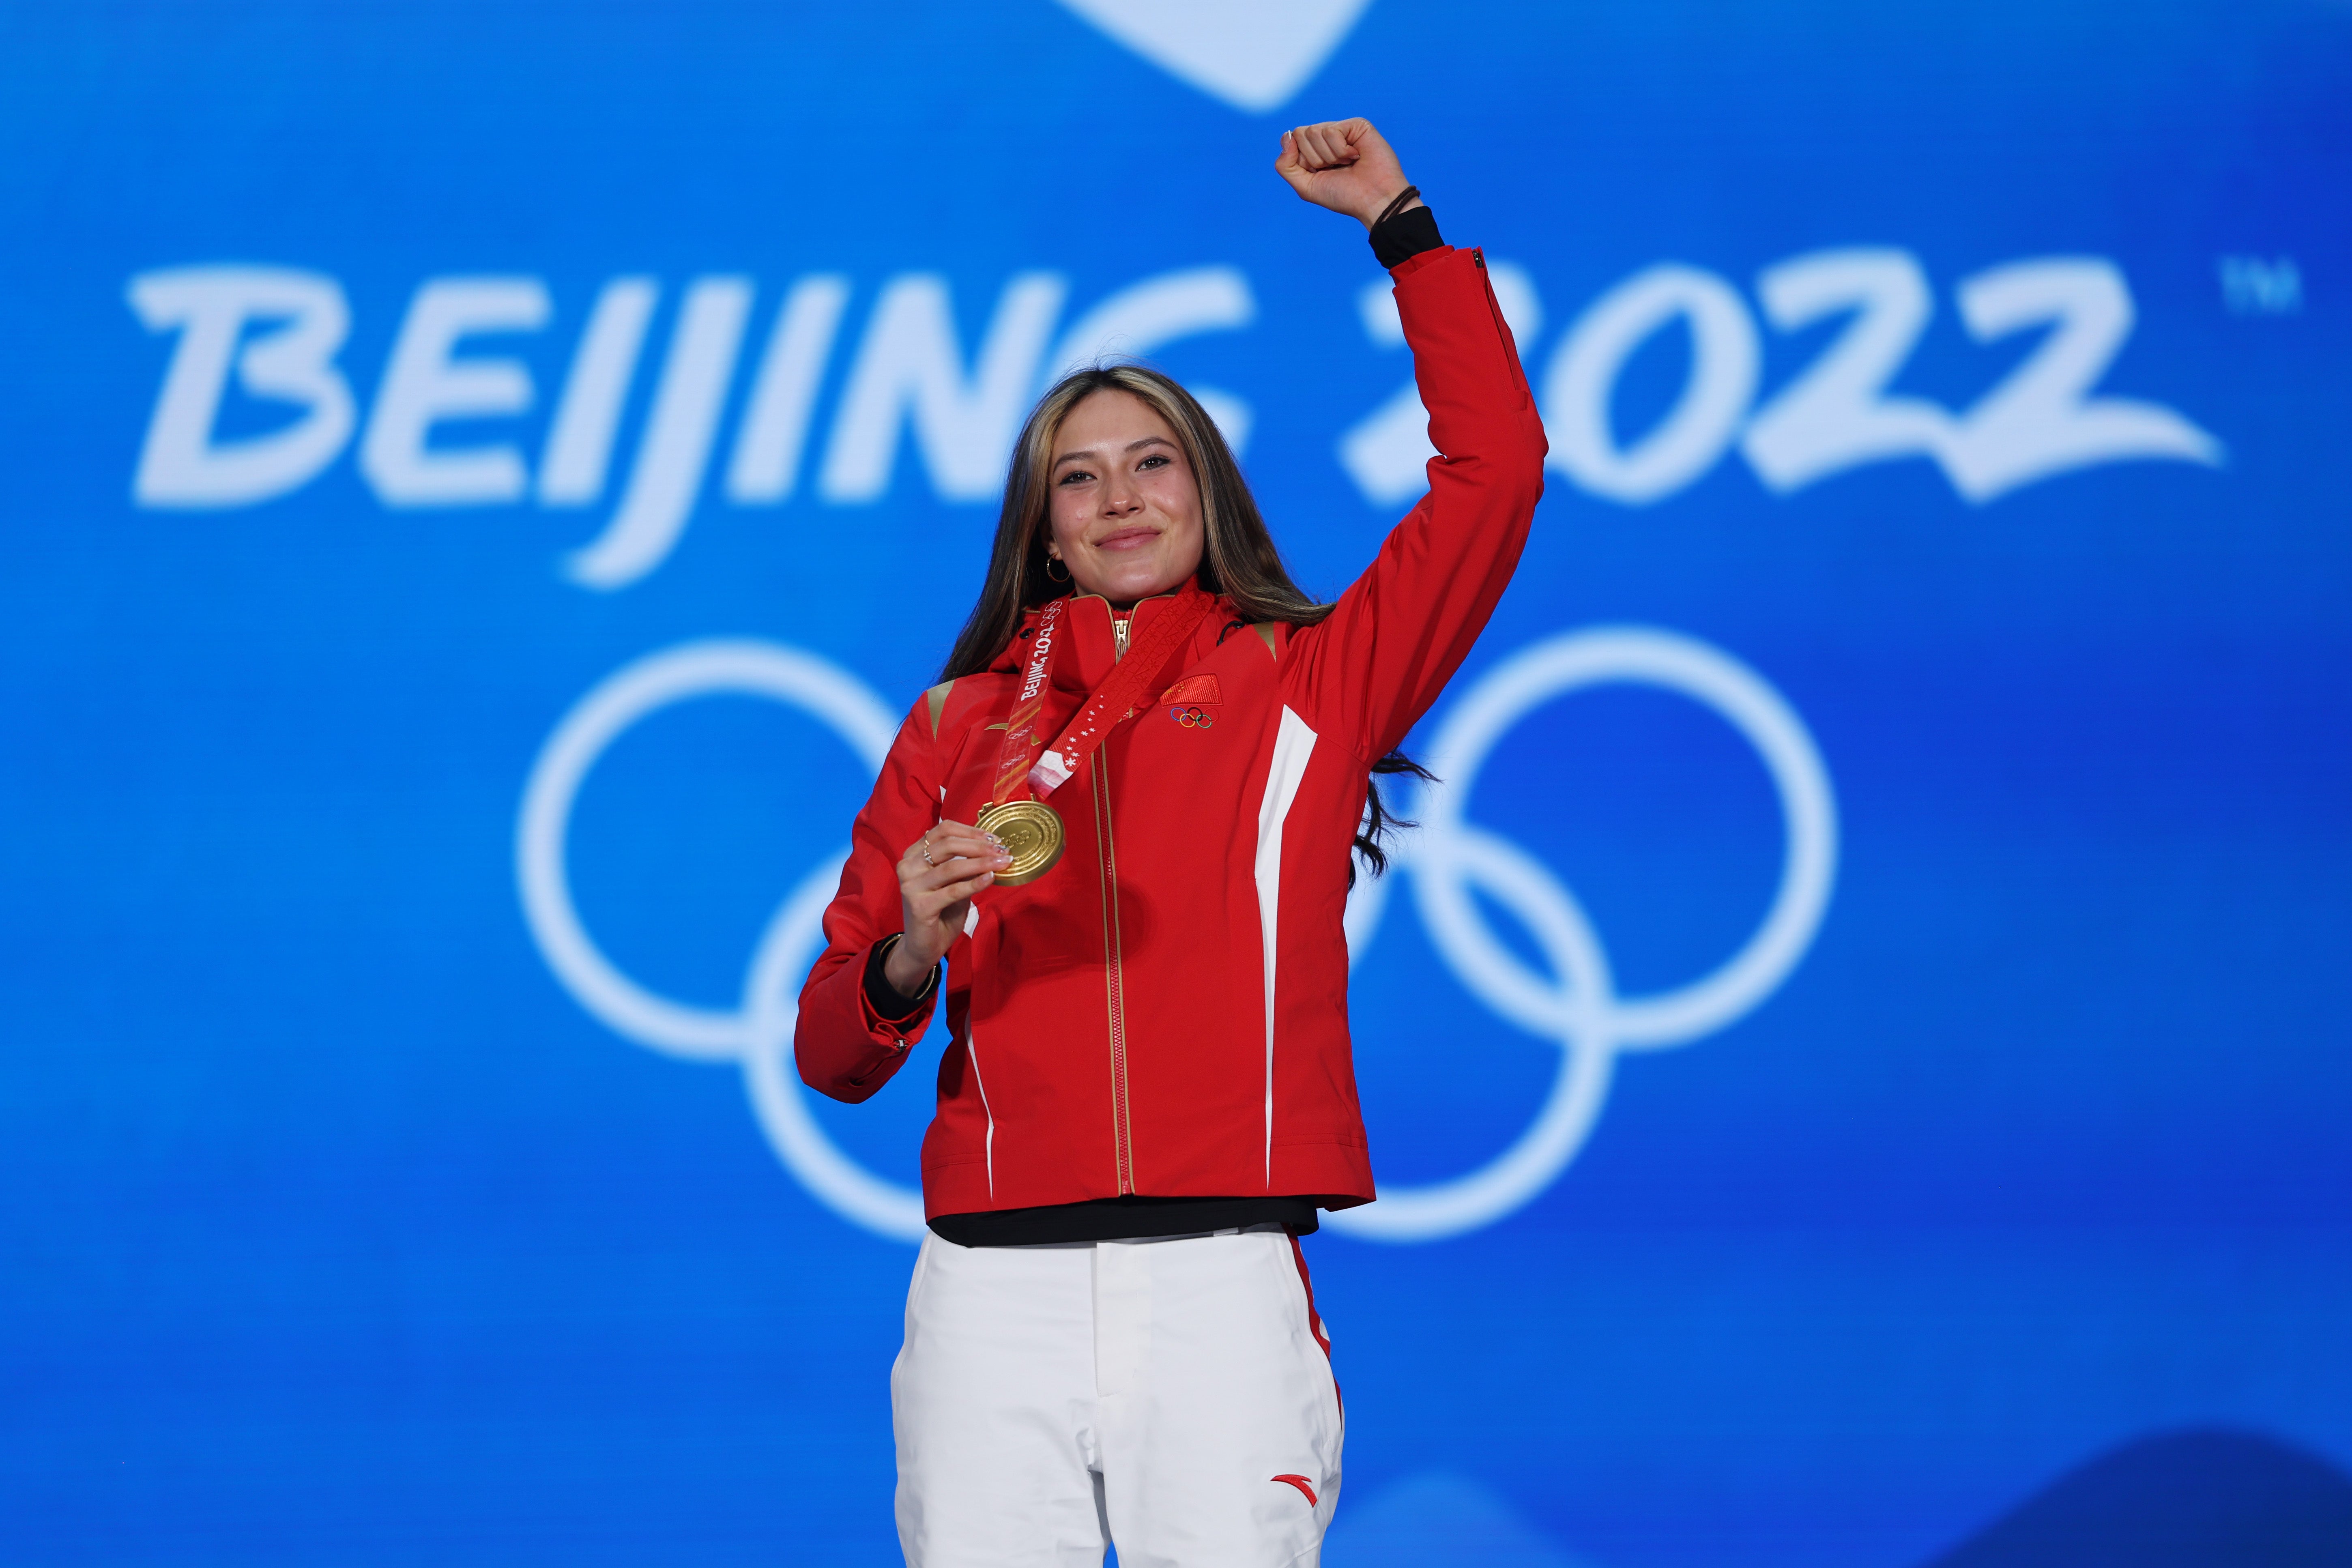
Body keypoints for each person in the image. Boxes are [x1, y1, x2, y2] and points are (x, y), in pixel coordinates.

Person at [795, 117, 1547, 1568]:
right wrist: (906, 950)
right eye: (1082, 478)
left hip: (1215, 1284)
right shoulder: (957, 725)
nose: (1122, 495)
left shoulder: (1313, 682)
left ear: (1207, 496)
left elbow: (1497, 473)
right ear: (1048, 530)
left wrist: (1401, 227)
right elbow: (832, 1054)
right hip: (988, 1297)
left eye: (1155, 463)